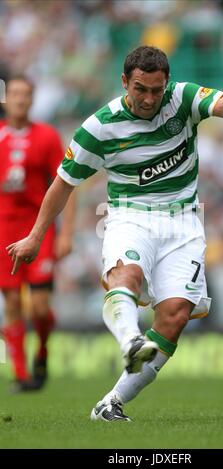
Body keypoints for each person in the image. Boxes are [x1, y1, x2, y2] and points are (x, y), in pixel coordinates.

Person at [7, 47, 223, 416]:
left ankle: (111, 403)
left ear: (166, 84)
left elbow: (221, 102)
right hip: (130, 215)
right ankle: (130, 339)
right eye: (140, 89)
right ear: (125, 81)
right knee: (125, 275)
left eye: (156, 90)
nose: (148, 99)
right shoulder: (99, 127)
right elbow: (63, 184)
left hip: (184, 221)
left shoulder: (181, 97)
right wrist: (35, 236)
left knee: (174, 316)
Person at [0, 75, 75, 392]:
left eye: (25, 94)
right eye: (14, 93)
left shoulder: (47, 136)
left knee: (40, 306)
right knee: (14, 302)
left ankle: (42, 349)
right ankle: (20, 373)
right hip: (4, 230)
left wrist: (65, 233)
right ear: (7, 98)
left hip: (37, 230)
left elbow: (67, 184)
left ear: (32, 99)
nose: (19, 99)